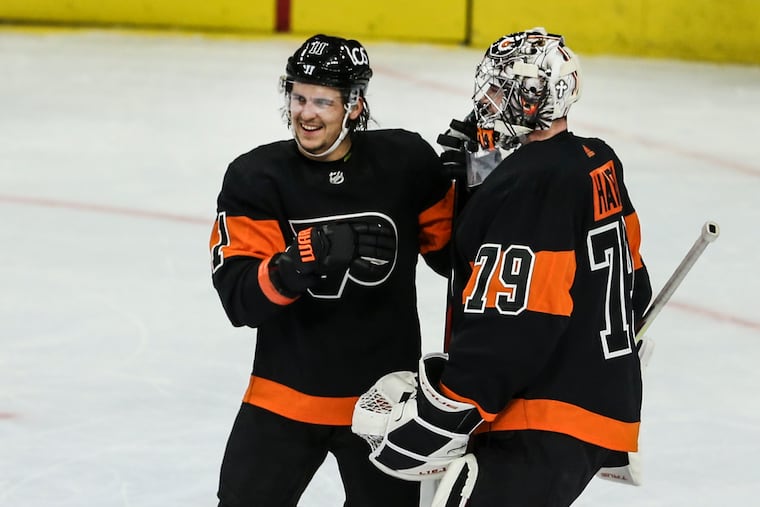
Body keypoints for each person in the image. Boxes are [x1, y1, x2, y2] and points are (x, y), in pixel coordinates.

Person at [352, 28, 652, 506]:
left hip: (543, 417)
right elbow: (635, 288)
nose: (485, 101)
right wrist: (480, 184)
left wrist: (456, 404)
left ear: (532, 99)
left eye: (498, 88)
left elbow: (518, 318)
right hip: (597, 402)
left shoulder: (533, 181)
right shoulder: (596, 160)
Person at [208, 33, 455, 507]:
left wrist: (481, 182)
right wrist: (295, 265)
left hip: (385, 405)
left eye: (323, 100)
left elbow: (456, 260)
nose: (306, 113)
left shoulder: (406, 164)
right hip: (284, 396)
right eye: (298, 97)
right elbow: (240, 301)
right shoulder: (256, 178)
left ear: (355, 106)